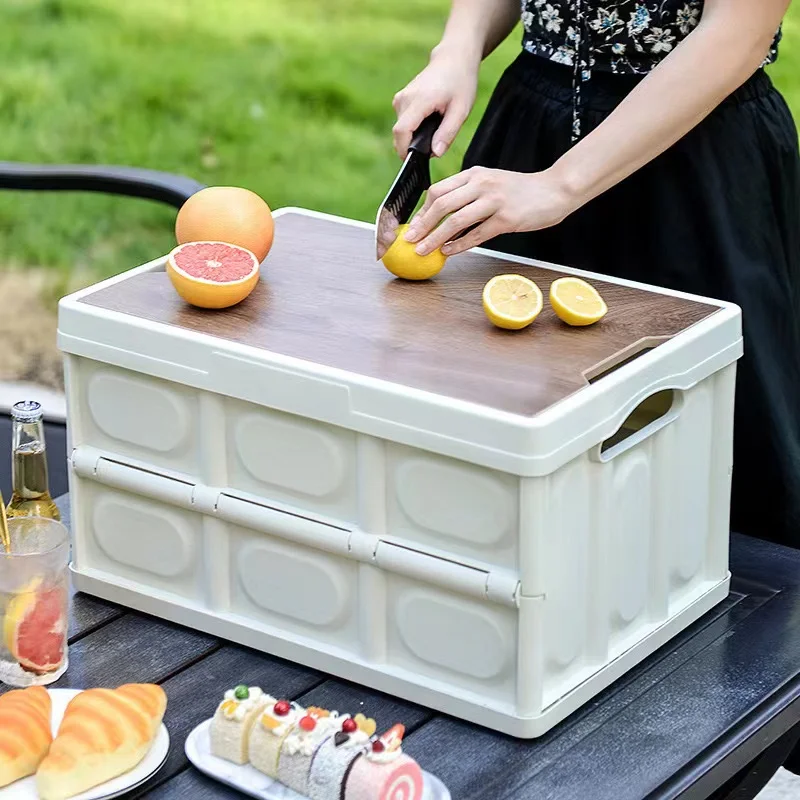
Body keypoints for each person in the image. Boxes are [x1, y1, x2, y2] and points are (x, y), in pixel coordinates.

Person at [393, 0, 800, 550]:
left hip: (697, 158)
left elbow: (739, 32)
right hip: (530, 131)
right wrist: (457, 51)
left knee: (711, 460)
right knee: (496, 444)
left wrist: (560, 186)